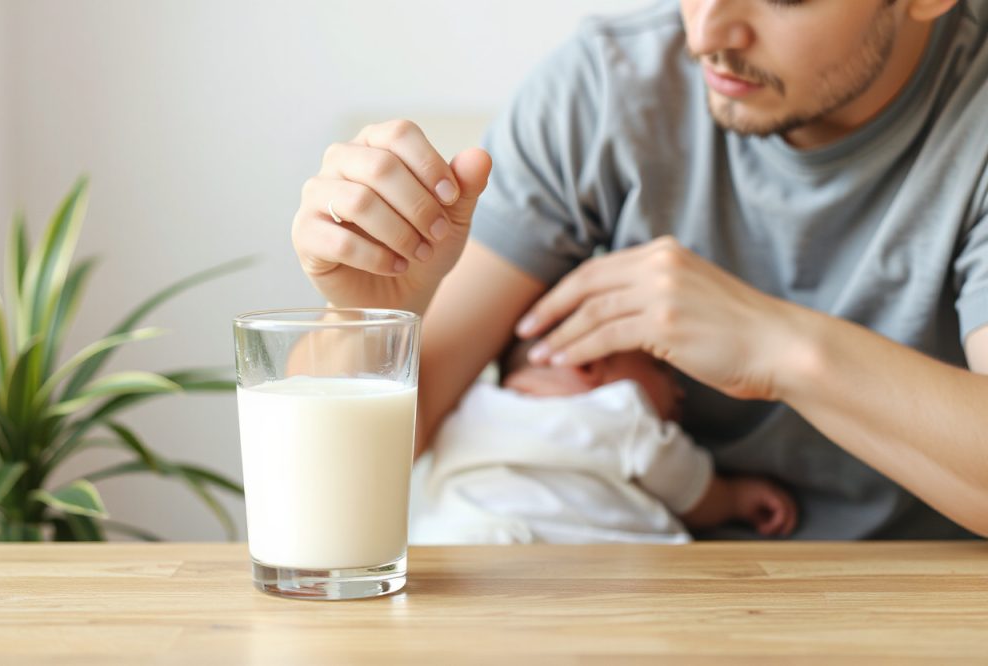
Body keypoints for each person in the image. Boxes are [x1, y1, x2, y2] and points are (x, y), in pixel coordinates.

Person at [292, 0, 988, 539]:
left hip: (921, 607)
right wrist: (367, 313)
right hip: (641, 595)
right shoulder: (604, 92)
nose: (708, 34)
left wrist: (773, 346)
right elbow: (321, 489)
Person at [410, 341, 797, 544]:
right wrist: (734, 498)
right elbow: (689, 488)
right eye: (660, 367)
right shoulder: (622, 413)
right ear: (587, 365)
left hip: (454, 540)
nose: (680, 391)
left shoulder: (470, 407)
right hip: (572, 554)